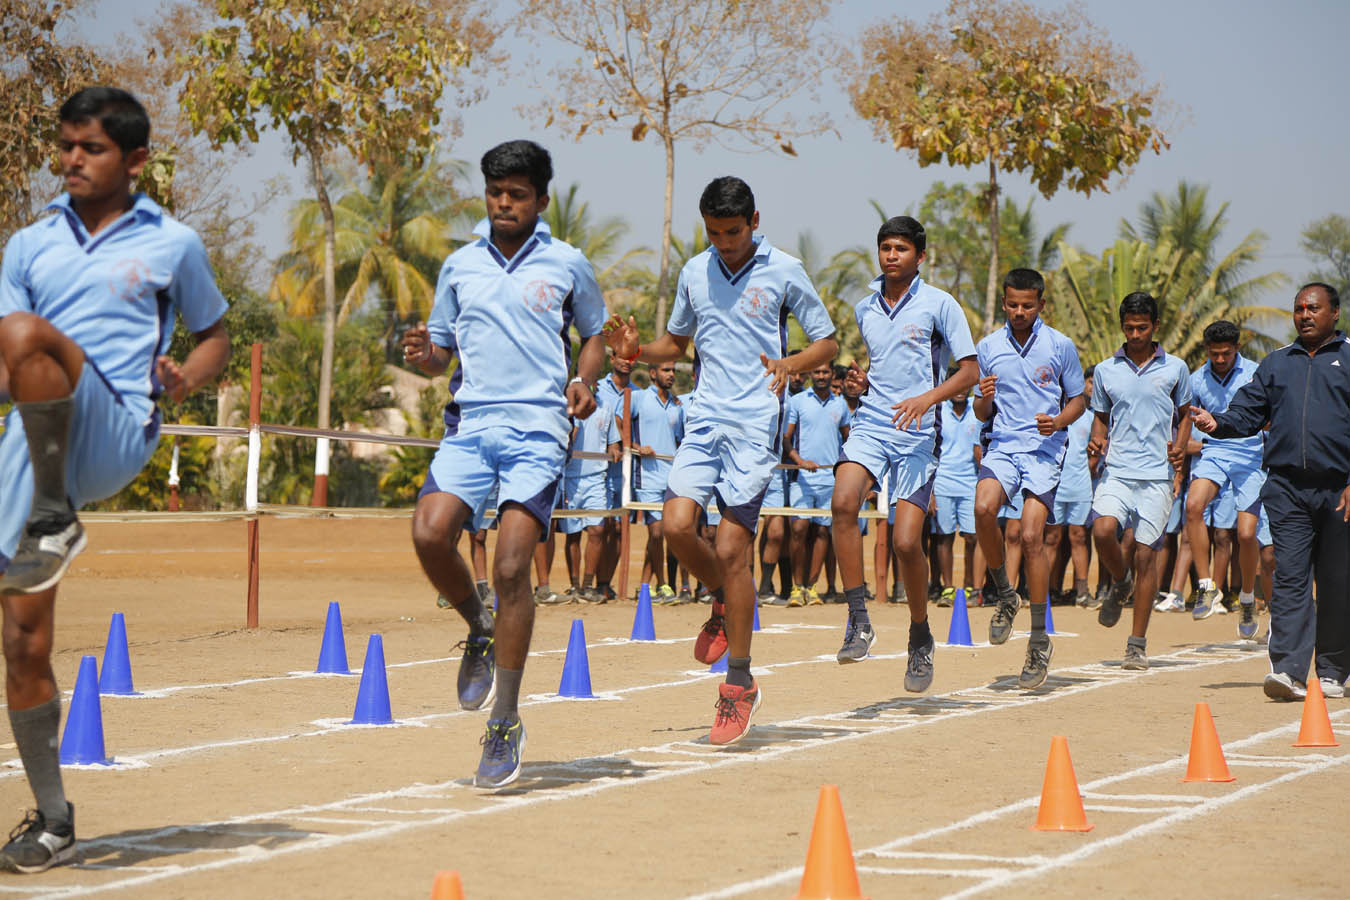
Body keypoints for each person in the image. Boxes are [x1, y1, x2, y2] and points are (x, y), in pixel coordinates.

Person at [0, 87, 231, 872]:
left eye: (90, 148)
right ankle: (54, 820)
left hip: (115, 425)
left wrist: (187, 377)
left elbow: (214, 335)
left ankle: (56, 515)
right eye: (66, 145)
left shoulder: (174, 243)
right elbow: (10, 361)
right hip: (33, 440)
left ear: (134, 160)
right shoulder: (28, 245)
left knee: (26, 332)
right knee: (22, 639)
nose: (72, 159)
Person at [604, 176, 836, 745]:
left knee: (733, 551)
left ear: (754, 220)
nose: (724, 243)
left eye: (733, 232)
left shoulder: (785, 270)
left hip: (755, 425)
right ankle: (723, 599)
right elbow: (676, 346)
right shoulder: (694, 271)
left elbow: (827, 343)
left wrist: (791, 364)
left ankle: (739, 684)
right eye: (713, 233)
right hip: (705, 417)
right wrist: (636, 351)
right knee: (676, 525)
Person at [404, 139, 607, 787]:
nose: (503, 203)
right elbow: (440, 351)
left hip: (539, 429)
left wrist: (585, 381)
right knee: (429, 533)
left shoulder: (567, 262)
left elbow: (594, 335)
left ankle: (505, 721)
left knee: (513, 565)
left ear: (541, 200)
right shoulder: (459, 265)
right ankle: (480, 627)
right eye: (495, 193)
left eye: (517, 194)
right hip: (471, 425)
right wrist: (425, 355)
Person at [831, 215, 978, 682]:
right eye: (886, 248)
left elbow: (969, 371)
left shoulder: (940, 304)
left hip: (918, 433)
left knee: (906, 542)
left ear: (920, 256)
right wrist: (863, 383)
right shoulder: (865, 307)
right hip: (873, 423)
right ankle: (859, 619)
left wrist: (927, 399)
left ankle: (919, 634)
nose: (892, 256)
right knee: (843, 503)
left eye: (901, 248)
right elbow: (883, 366)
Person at [1193, 283, 1350, 700]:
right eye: (1298, 309)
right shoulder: (1277, 363)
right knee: (1290, 578)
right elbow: (1248, 411)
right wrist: (1218, 423)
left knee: (1336, 582)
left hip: (1340, 491)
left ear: (1334, 312)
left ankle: (1333, 671)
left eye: (1313, 308)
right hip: (1287, 489)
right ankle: (1288, 671)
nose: (1305, 315)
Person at [972, 268, 1086, 689]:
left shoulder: (1060, 345)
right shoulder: (988, 347)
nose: (1019, 311)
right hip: (1003, 446)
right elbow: (980, 412)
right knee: (983, 508)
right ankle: (1006, 593)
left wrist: (1058, 422)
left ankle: (1038, 640)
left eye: (1028, 305)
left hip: (1044, 451)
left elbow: (1078, 399)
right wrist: (984, 399)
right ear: (1004, 303)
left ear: (1041, 304)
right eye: (1013, 304)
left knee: (1033, 536)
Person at [1088, 292, 1193, 670]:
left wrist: (1180, 452)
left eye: (1142, 328)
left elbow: (1186, 415)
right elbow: (1101, 417)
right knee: (1102, 530)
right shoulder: (1106, 370)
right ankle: (1121, 583)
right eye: (1129, 328)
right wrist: (1096, 440)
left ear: (1155, 326)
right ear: (1122, 327)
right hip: (1117, 469)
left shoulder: (1176, 368)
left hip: (1157, 477)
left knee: (1146, 556)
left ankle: (1136, 645)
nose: (1135, 334)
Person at [1182, 321, 1264, 638]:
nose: (1219, 359)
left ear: (1237, 349)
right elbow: (1186, 420)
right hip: (1214, 451)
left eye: (1226, 354)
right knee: (1193, 506)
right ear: (1206, 350)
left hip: (1251, 455)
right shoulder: (1196, 379)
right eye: (1214, 354)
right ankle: (1206, 586)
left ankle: (1247, 598)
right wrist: (1179, 454)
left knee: (1246, 534)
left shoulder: (1256, 373)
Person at [785, 362, 849, 605]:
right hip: (802, 479)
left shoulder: (840, 404)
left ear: (832, 374)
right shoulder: (798, 401)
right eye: (817, 372)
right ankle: (796, 587)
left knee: (823, 532)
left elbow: (848, 438)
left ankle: (811, 588)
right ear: (810, 374)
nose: (821, 376)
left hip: (829, 480)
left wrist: (843, 468)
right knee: (799, 529)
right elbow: (786, 439)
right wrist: (800, 461)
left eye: (825, 372)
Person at [628, 361, 684, 601]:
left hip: (671, 477)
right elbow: (621, 426)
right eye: (665, 370)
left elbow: (679, 439)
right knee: (657, 531)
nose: (671, 374)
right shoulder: (638, 398)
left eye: (673, 370)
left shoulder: (677, 406)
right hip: (647, 476)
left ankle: (644, 585)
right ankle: (662, 585)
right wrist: (636, 447)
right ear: (652, 373)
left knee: (663, 533)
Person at [1047, 368, 1094, 608]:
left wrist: (1089, 468)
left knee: (1079, 536)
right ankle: (1045, 590)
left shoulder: (1089, 416)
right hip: (1055, 485)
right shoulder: (1052, 415)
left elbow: (1095, 449)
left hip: (1080, 485)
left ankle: (1082, 592)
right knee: (1052, 538)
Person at [931, 390, 981, 607]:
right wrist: (931, 489)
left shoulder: (976, 409)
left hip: (970, 483)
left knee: (972, 537)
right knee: (944, 537)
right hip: (943, 481)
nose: (959, 391)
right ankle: (948, 589)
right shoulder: (939, 411)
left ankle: (970, 586)